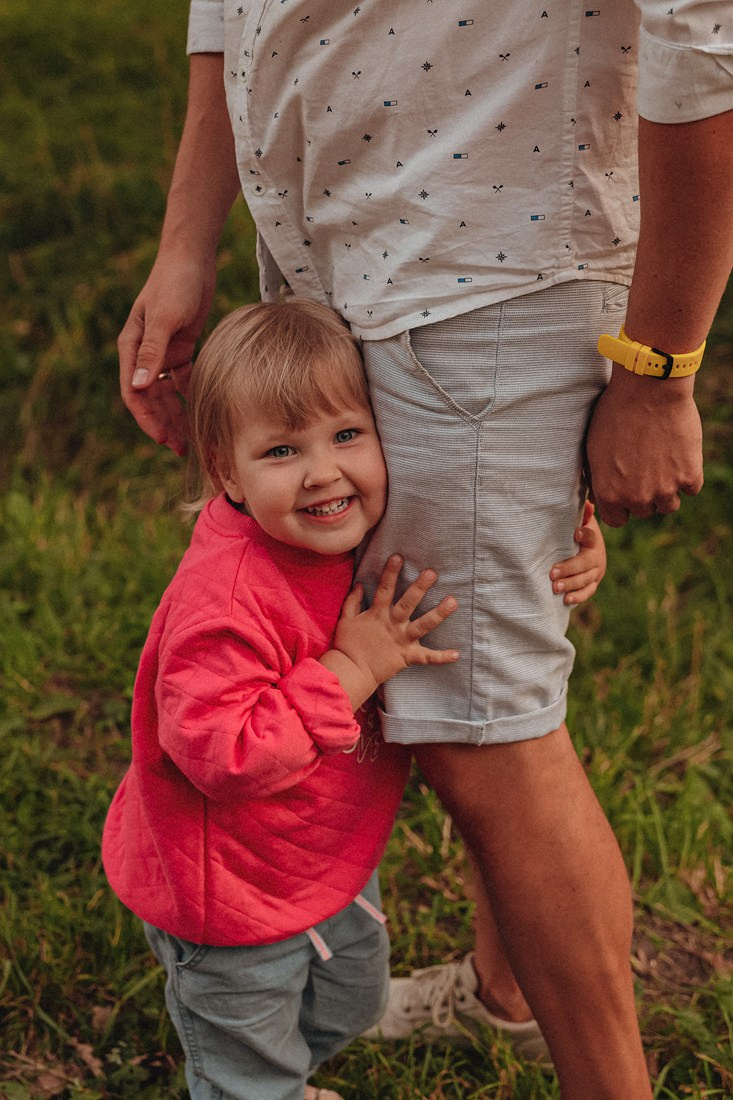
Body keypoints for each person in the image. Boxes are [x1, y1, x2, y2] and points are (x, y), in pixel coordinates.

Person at [117, 5, 733, 1098]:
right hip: (323, 237)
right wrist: (185, 239)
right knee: (462, 673)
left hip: (478, 265)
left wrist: (660, 366)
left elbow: (703, 36)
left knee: (486, 727)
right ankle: (508, 994)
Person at [104, 296, 607, 1100]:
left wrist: (573, 544)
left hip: (320, 861)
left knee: (353, 1002)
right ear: (225, 471)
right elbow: (220, 752)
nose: (322, 471)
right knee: (246, 1068)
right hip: (225, 898)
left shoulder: (338, 527)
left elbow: (480, 534)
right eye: (280, 450)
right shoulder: (226, 602)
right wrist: (351, 668)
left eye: (346, 435)